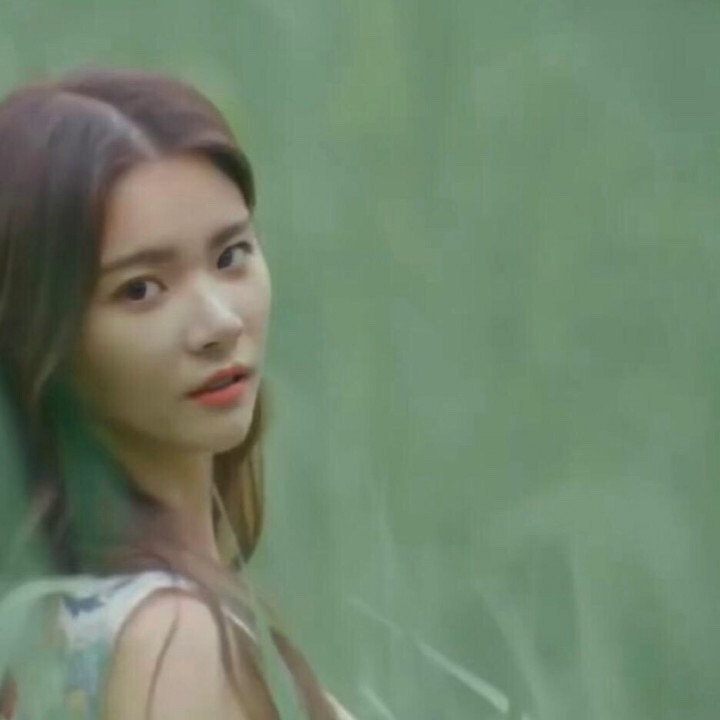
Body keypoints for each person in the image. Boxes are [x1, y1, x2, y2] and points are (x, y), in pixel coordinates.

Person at [0, 68, 354, 720]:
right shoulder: (174, 642)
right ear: (38, 336)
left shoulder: (53, 629)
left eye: (231, 255)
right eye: (140, 289)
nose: (219, 323)